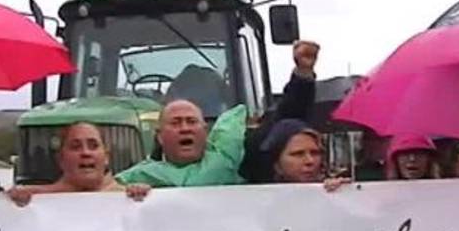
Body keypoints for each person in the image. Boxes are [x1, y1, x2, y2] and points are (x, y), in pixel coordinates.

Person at [116, 40, 320, 188]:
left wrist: (302, 74)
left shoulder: (235, 154)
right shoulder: (137, 178)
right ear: (159, 136)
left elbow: (283, 124)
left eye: (192, 121)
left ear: (205, 130)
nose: (185, 128)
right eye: (176, 123)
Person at [6, 122, 150, 206]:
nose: (85, 153)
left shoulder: (129, 197)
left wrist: (148, 199)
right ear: (61, 159)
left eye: (93, 146)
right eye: (75, 147)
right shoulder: (34, 199)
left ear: (106, 157)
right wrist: (12, 206)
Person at [239, 118, 349, 191]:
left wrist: (343, 194)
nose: (310, 161)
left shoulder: (332, 189)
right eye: (298, 154)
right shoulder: (253, 200)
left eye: (315, 153)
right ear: (277, 164)